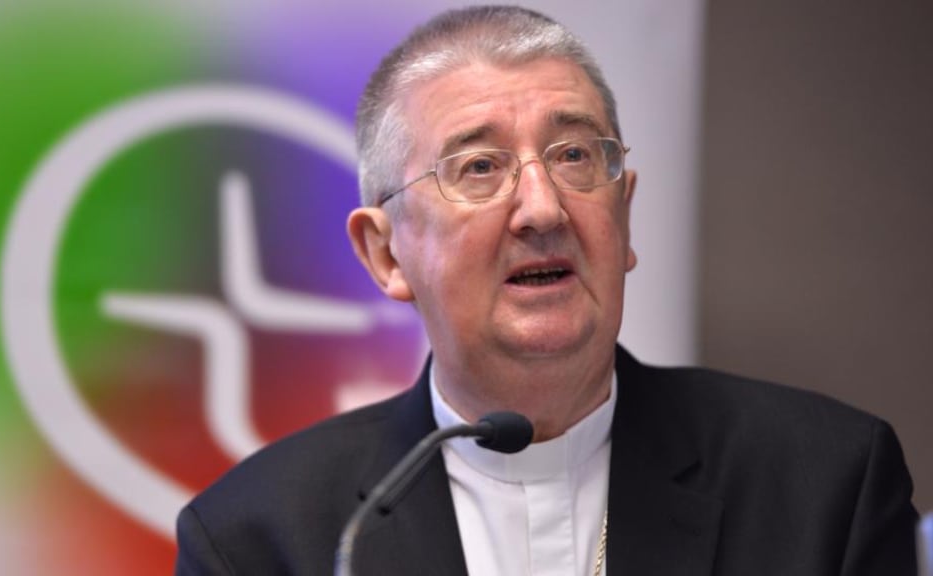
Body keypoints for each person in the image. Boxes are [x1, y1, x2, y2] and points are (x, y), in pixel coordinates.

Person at [175, 6, 918, 575]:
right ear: (386, 254)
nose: (542, 208)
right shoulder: (264, 536)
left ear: (622, 215)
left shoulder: (824, 484)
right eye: (478, 168)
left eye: (572, 155)